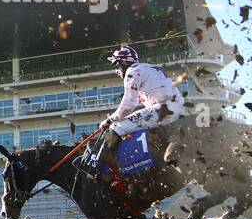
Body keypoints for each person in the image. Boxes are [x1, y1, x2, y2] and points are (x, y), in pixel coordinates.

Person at [75, 45, 183, 177]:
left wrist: (109, 120)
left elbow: (129, 104)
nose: (116, 71)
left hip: (162, 110)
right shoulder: (147, 67)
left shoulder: (132, 71)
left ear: (124, 62)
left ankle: (93, 168)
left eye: (116, 65)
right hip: (172, 108)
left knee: (116, 127)